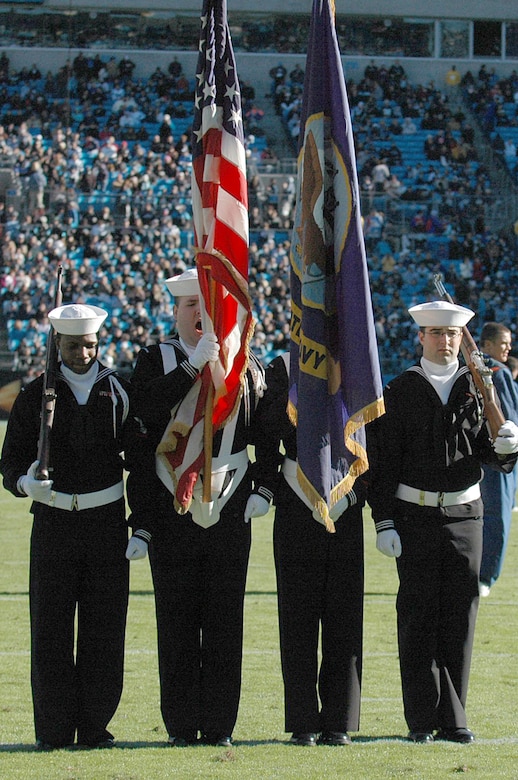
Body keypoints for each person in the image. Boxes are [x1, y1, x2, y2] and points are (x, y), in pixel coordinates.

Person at [125, 268, 266, 748]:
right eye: (192, 308)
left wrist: (262, 489)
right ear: (176, 311)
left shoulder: (245, 363)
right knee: (176, 619)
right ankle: (182, 727)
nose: (202, 318)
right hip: (170, 501)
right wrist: (191, 370)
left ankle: (221, 726)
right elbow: (142, 418)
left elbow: (264, 434)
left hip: (229, 498)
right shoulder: (153, 359)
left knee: (226, 619)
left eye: (210, 309)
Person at [367, 301, 518, 745]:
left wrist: (508, 448)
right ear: (420, 338)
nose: (445, 341)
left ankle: (454, 717)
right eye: (436, 333)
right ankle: (420, 719)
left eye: (452, 335)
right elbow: (384, 464)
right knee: (417, 619)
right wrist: (384, 521)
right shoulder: (399, 390)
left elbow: (489, 455)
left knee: (460, 618)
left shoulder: (477, 387)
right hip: (413, 516)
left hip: (466, 515)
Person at [0, 303, 132, 750]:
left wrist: (145, 526)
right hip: (54, 524)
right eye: (74, 346)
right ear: (58, 344)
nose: (84, 353)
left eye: (91, 345)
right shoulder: (35, 394)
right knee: (51, 630)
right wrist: (24, 483)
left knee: (104, 630)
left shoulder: (117, 390)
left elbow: (142, 457)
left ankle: (95, 728)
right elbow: (10, 462)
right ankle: (54, 732)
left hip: (106, 525)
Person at [249, 353, 364, 747]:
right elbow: (266, 433)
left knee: (343, 616)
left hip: (345, 493)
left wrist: (354, 496)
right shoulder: (282, 367)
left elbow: (373, 438)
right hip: (296, 493)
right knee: (296, 618)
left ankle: (339, 720)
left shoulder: (357, 359)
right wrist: (302, 388)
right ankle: (302, 720)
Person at [478, 323, 518, 596]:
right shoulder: (497, 371)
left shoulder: (470, 365)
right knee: (495, 517)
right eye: (504, 342)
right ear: (488, 344)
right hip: (498, 457)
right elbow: (511, 419)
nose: (509, 348)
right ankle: (485, 576)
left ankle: (484, 576)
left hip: (478, 456)